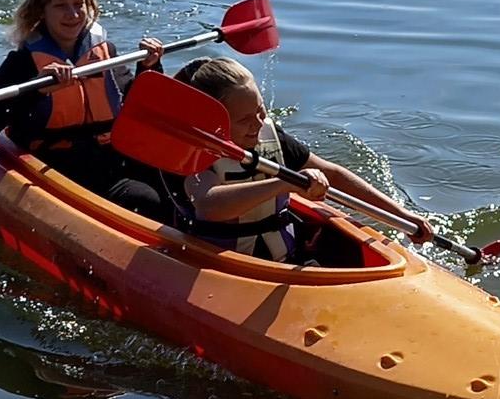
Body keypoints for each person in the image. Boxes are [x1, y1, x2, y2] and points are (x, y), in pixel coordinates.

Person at [171, 56, 430, 261]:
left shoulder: (269, 135)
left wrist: (401, 215)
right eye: (244, 119)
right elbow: (209, 205)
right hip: (217, 261)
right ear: (214, 119)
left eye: (260, 110)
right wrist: (284, 183)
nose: (258, 123)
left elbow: (333, 174)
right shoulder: (194, 149)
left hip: (285, 255)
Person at [0, 0, 161, 197]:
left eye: (78, 4)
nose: (73, 14)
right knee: (144, 199)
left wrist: (148, 67)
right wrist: (38, 90)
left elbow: (138, 110)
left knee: (170, 177)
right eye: (60, 6)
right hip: (54, 165)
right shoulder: (23, 61)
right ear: (40, 10)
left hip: (107, 158)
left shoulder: (104, 51)